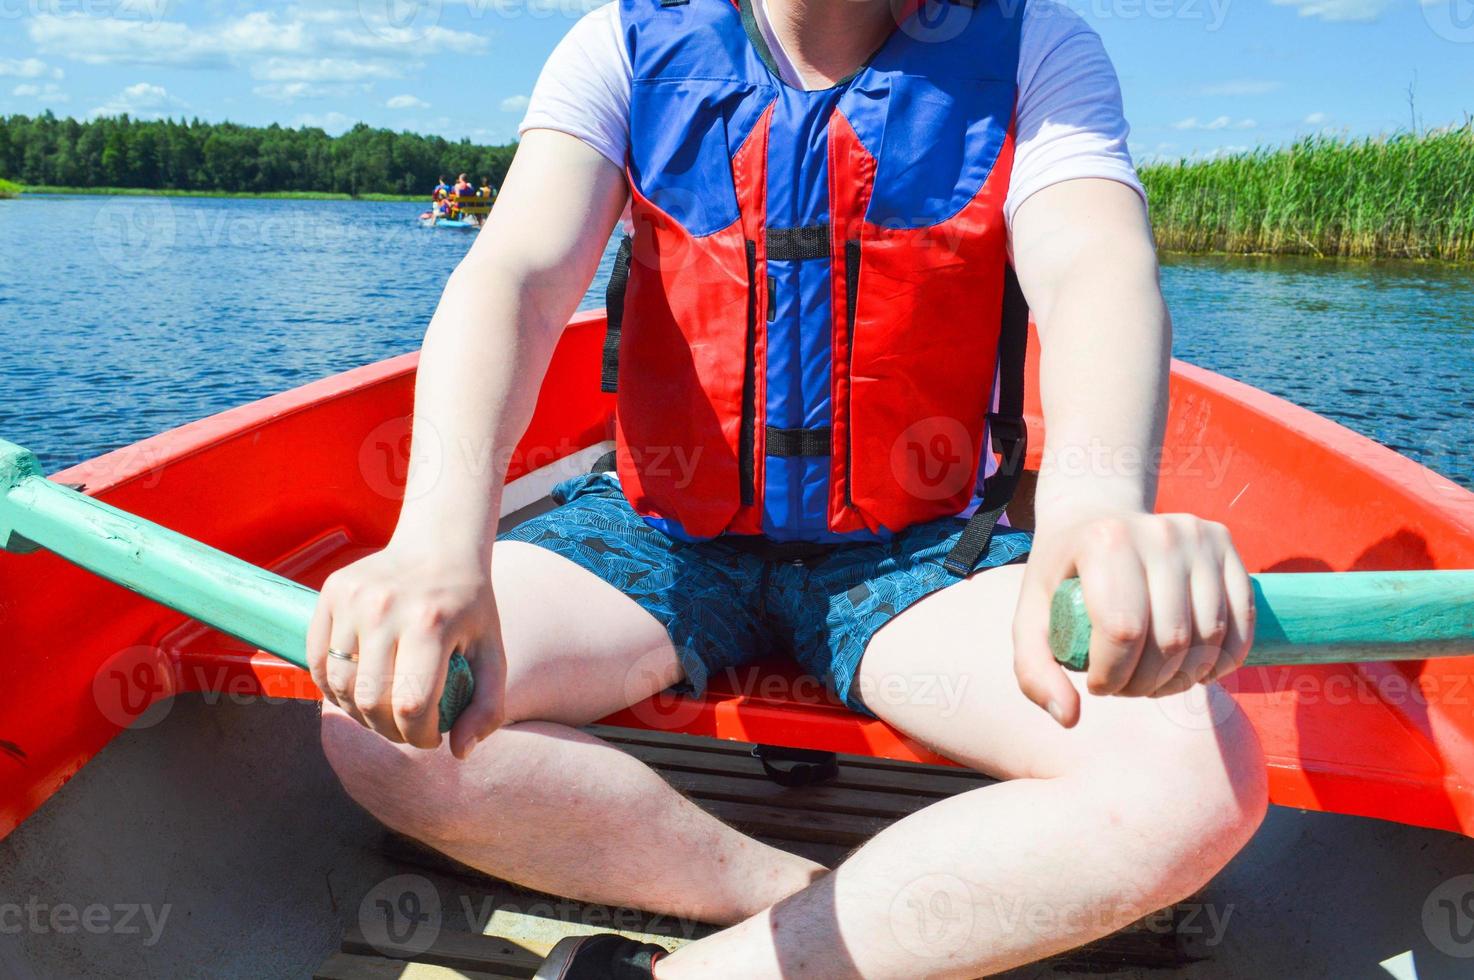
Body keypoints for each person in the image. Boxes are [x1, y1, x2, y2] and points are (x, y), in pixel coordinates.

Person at [311, 1, 1267, 978]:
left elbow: (1091, 267)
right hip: (662, 538)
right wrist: (438, 534)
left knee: (1190, 774)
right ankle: (788, 894)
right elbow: (517, 271)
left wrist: (1095, 507)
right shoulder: (622, 43)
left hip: (912, 556)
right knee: (379, 706)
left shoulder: (1036, 50)